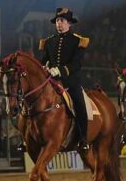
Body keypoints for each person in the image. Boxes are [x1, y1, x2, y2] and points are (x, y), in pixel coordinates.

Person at [39, 8, 91, 150]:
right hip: (52, 81)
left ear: (69, 23)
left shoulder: (77, 41)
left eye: (62, 21)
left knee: (80, 105)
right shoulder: (49, 42)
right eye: (57, 21)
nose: (59, 24)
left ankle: (83, 138)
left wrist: (60, 70)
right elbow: (44, 61)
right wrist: (44, 68)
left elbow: (76, 64)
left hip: (70, 82)